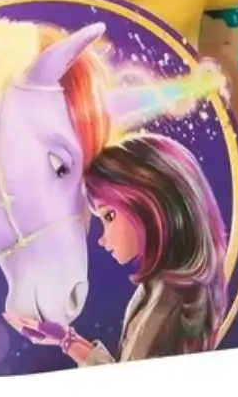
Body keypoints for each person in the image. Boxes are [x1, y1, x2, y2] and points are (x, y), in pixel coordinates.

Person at [64, 133, 228, 363]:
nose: (101, 239)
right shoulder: (160, 286)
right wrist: (66, 340)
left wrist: (67, 342)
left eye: (109, 216)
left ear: (150, 206)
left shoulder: (167, 303)